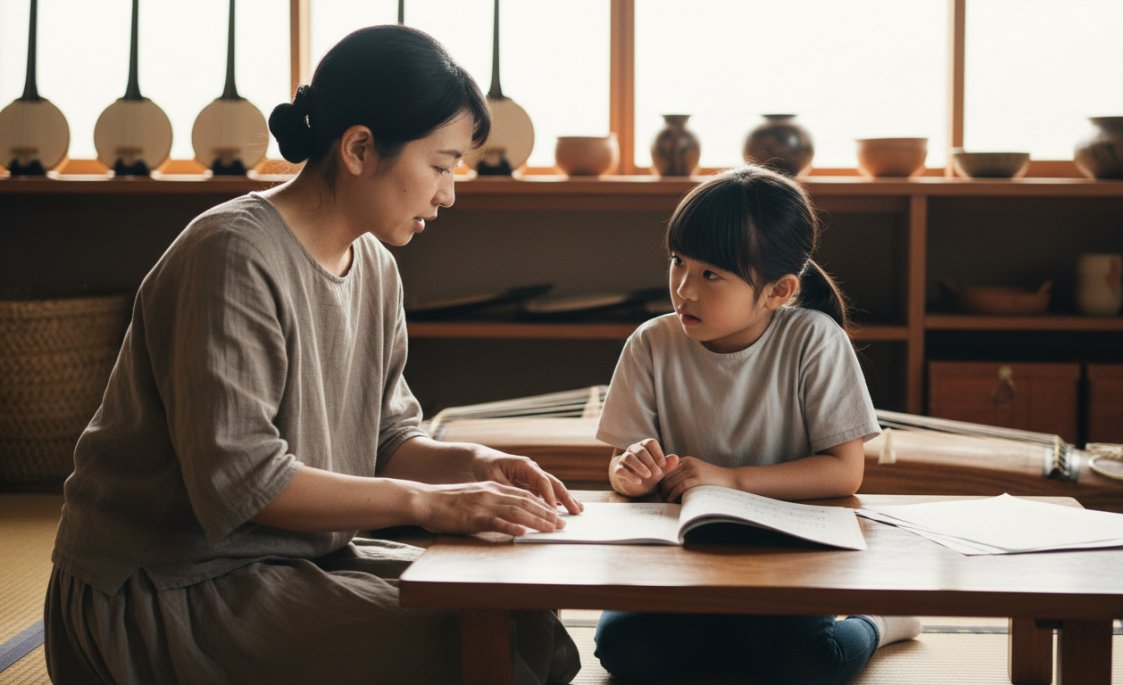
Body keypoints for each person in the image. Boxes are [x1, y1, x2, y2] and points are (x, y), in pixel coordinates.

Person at [44, 25, 583, 685]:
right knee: (464, 648)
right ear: (359, 147)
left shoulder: (377, 267)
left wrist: (477, 464)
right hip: (170, 581)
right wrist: (430, 504)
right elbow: (243, 481)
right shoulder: (232, 253)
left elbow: (385, 439)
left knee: (525, 621)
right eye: (440, 165)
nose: (448, 193)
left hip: (297, 557)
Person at [591, 165, 921, 684]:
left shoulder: (814, 340)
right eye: (679, 262)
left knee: (807, 666)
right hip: (682, 552)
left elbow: (843, 472)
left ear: (777, 291)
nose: (684, 289)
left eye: (711, 275)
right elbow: (620, 463)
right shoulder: (651, 344)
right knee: (624, 650)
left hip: (785, 551)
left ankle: (881, 620)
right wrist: (629, 473)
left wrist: (730, 480)